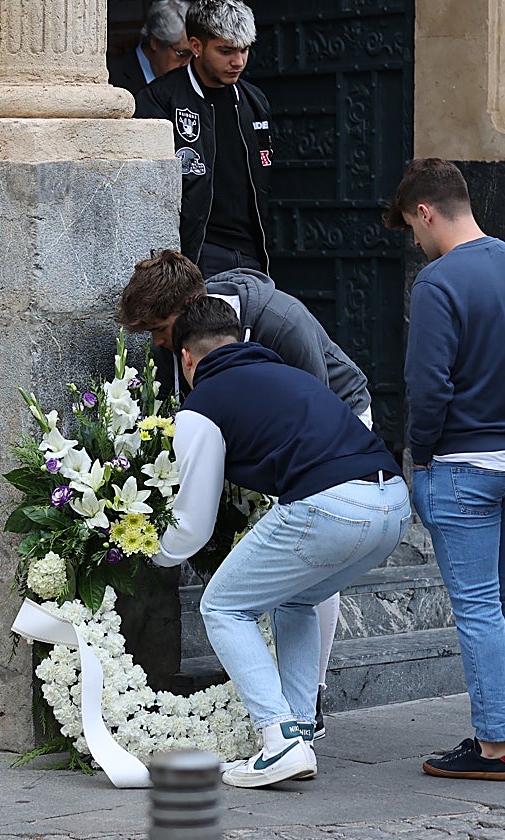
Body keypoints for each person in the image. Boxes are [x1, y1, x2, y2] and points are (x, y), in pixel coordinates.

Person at [149, 295, 410, 788]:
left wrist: (154, 552)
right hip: (393, 503)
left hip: (330, 505)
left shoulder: (201, 403)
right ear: (240, 339)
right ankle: (301, 733)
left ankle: (279, 739)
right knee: (296, 599)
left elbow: (195, 523)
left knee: (224, 608)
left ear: (186, 357)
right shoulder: (289, 373)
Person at [117, 248, 370, 739]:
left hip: (334, 428)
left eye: (160, 328)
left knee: (311, 563)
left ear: (191, 307)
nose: (158, 341)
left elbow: (309, 414)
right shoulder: (177, 342)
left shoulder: (280, 320)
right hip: (251, 439)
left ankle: (310, 695)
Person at [388, 158, 505, 782]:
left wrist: (422, 452)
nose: (415, 240)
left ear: (426, 212)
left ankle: (493, 747)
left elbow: (427, 385)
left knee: (478, 607)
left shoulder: (438, 284)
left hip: (465, 460)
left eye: (412, 226)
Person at [134, 0, 273, 277]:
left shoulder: (254, 100)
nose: (238, 61)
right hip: (195, 255)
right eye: (226, 51)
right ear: (196, 46)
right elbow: (146, 194)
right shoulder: (159, 100)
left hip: (252, 252)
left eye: (244, 50)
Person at [107, 1, 192, 95]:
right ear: (155, 42)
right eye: (182, 54)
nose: (188, 64)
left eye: (194, 54)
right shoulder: (111, 77)